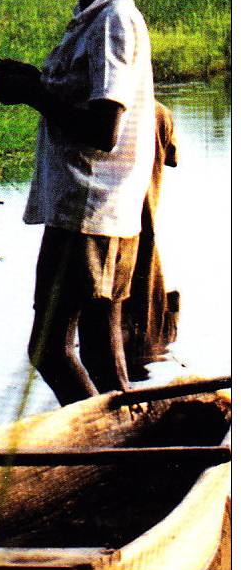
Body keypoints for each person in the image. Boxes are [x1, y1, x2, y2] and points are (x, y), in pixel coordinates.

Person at [0, 0, 155, 404]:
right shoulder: (94, 17)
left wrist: (33, 94)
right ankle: (126, 451)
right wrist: (35, 82)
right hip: (97, 209)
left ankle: (100, 453)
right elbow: (79, 95)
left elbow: (104, 128)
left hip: (89, 207)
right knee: (101, 354)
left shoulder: (112, 21)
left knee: (51, 348)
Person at [121, 101, 179, 375]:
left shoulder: (109, 110)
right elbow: (173, 159)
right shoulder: (161, 112)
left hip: (115, 223)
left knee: (117, 308)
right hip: (147, 222)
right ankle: (141, 352)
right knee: (147, 301)